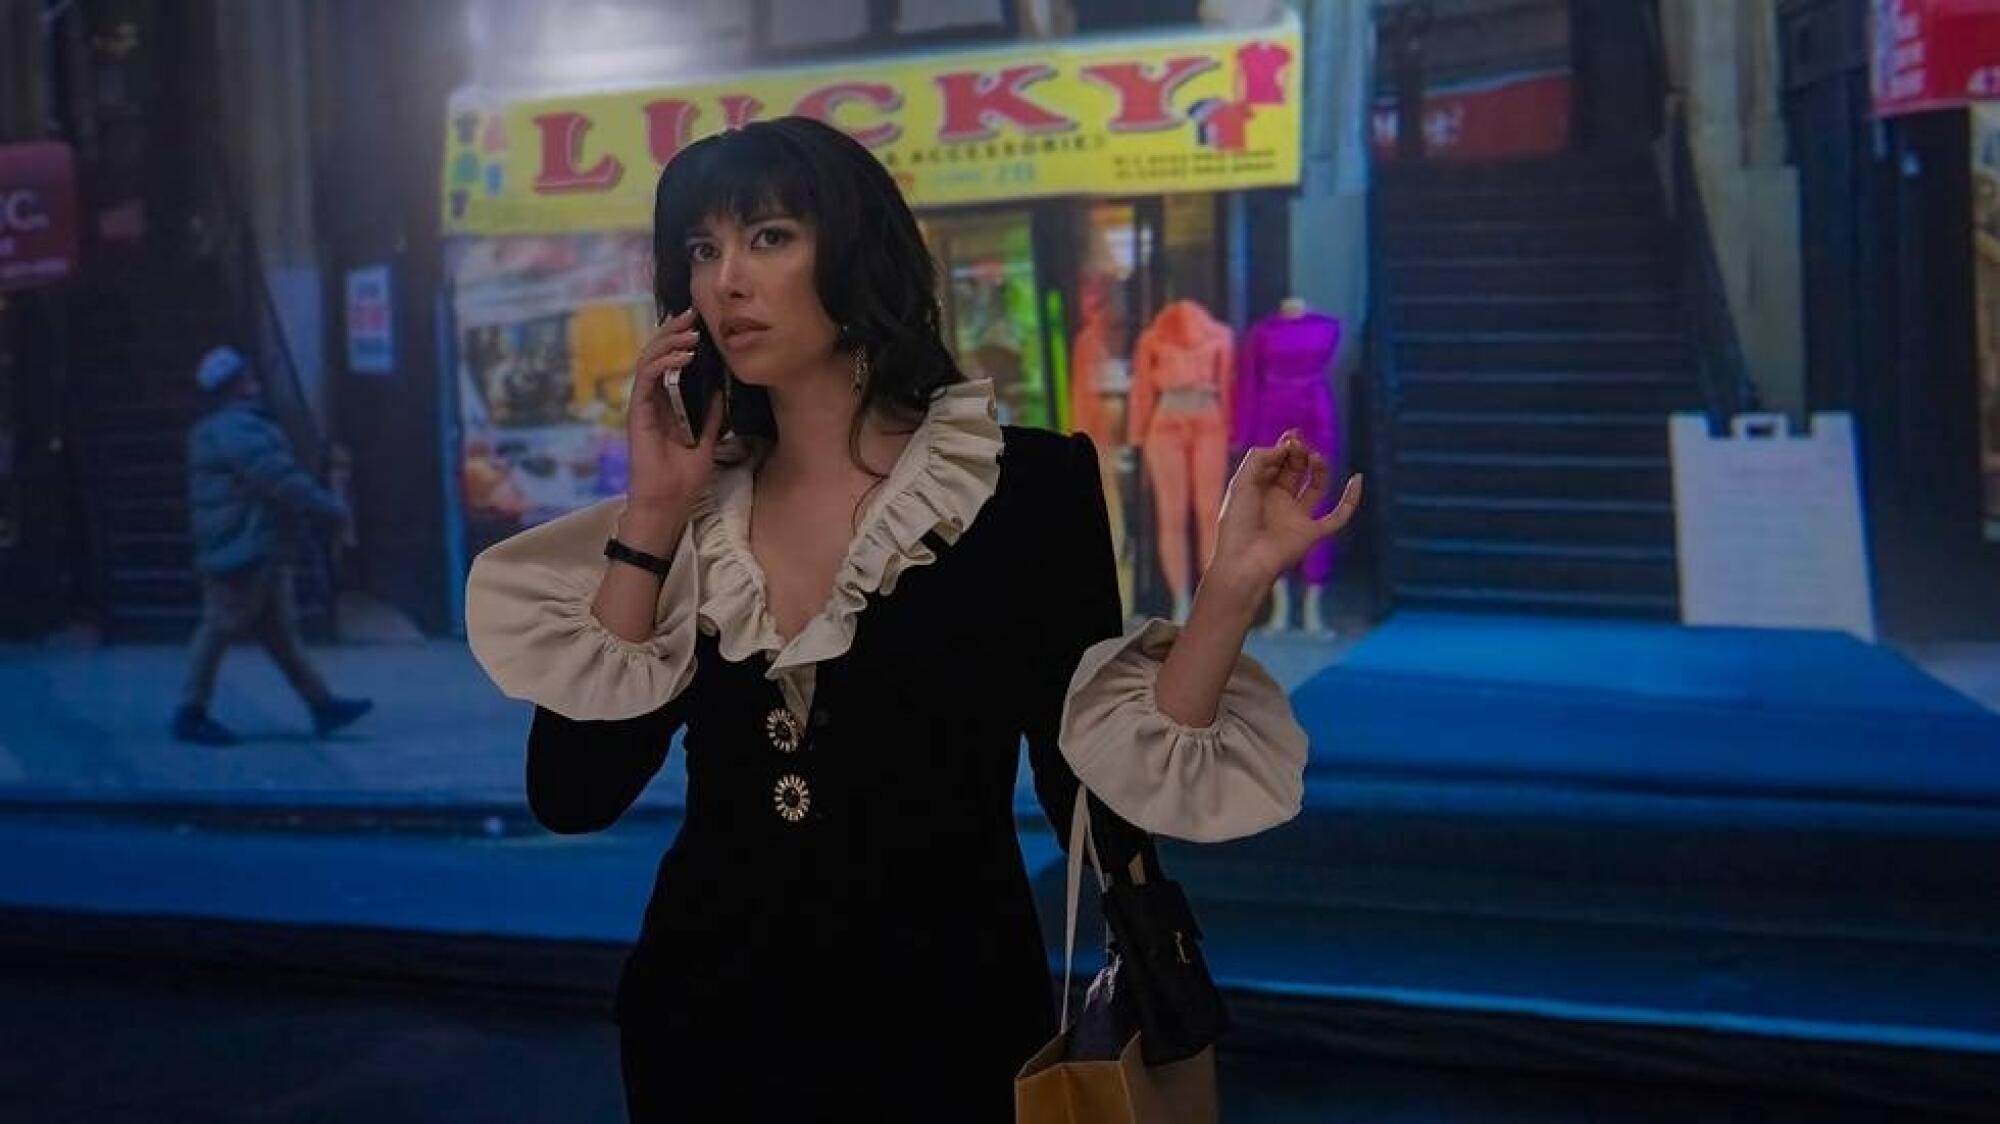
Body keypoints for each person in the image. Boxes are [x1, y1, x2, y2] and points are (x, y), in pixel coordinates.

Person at [464, 117, 1361, 1121]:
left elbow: (1092, 791)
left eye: (767, 237)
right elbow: (571, 791)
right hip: (705, 1027)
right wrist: (652, 515)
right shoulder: (694, 508)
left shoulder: (1022, 486)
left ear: (852, 250)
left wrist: (1231, 591)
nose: (726, 280)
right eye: (701, 250)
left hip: (949, 1030)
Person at [172, 346, 373, 746]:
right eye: (248, 376)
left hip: (260, 545)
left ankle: (321, 705)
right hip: (243, 545)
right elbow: (277, 477)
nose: (256, 381)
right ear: (236, 385)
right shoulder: (237, 429)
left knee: (280, 634)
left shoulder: (230, 426)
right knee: (219, 627)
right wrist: (329, 506)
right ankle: (190, 712)